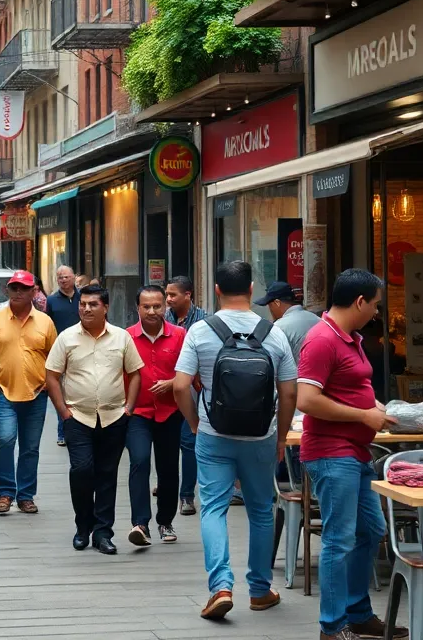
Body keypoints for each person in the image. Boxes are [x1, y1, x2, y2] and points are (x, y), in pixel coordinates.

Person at [173, 260, 298, 620]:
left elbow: (181, 386)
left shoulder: (200, 331)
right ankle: (259, 590)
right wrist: (282, 434)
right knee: (261, 511)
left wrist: (196, 424)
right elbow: (288, 393)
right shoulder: (273, 333)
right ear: (251, 288)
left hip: (214, 434)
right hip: (261, 434)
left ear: (216, 290)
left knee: (213, 508)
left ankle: (221, 587)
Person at [297, 270, 406, 640]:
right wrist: (364, 415)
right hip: (332, 453)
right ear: (359, 301)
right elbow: (307, 400)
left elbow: (350, 386)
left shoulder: (351, 338)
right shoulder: (321, 340)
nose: (377, 312)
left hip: (355, 452)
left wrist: (374, 406)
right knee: (339, 538)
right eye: (376, 304)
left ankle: (358, 612)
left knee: (371, 530)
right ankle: (332, 625)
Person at [45, 285, 144, 555]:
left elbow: (135, 373)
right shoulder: (66, 338)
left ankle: (103, 532)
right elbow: (51, 375)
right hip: (78, 417)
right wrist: (63, 411)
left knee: (107, 475)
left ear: (105, 307)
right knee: (81, 470)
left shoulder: (121, 338)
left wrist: (129, 408)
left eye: (93, 304)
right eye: (83, 304)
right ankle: (82, 526)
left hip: (114, 417)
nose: (86, 308)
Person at [0, 270, 58, 514]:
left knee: (30, 447)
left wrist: (49, 380)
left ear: (34, 292)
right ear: (7, 291)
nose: (19, 292)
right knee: (5, 439)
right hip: (3, 393)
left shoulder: (45, 322)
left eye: (24, 288)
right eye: (14, 288)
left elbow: (56, 355)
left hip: (36, 394)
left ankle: (26, 495)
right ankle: (5, 493)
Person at [125, 284, 187, 548]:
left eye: (157, 306)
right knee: (139, 461)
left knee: (169, 468)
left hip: (170, 412)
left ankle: (165, 520)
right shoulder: (125, 337)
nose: (152, 311)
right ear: (137, 308)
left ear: (165, 306)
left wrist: (173, 383)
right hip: (137, 412)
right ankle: (140, 523)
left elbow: (189, 371)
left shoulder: (180, 335)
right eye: (146, 306)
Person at [165, 275, 206, 516]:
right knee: (167, 442)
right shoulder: (162, 317)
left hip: (193, 389)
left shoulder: (204, 321)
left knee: (189, 441)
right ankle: (168, 483)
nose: (168, 299)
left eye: (173, 295)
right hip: (165, 390)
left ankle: (187, 495)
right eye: (167, 294)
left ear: (188, 295)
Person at [46, 266, 81, 447]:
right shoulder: (51, 300)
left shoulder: (84, 298)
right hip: (60, 351)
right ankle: (63, 432)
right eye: (60, 277)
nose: (64, 280)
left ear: (74, 277)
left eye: (67, 277)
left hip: (83, 350)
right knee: (61, 392)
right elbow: (48, 325)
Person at [257, 281, 321, 359]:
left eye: (270, 305)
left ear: (277, 302)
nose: (270, 310)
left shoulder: (280, 326)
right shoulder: (317, 319)